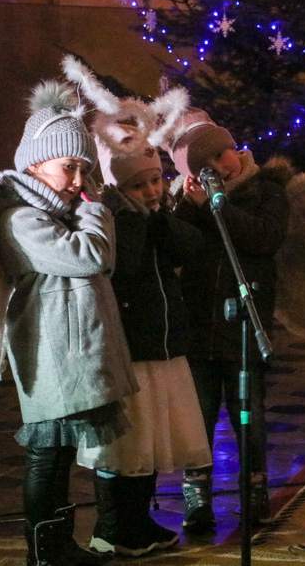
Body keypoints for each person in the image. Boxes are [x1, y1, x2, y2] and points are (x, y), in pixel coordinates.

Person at [0, 80, 140, 566]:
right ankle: (44, 552)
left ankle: (60, 545)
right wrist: (94, 210)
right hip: (52, 354)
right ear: (34, 164)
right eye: (69, 166)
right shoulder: (21, 218)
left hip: (73, 354)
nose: (77, 177)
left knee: (61, 457)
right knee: (46, 457)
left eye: (84, 167)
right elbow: (91, 257)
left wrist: (86, 209)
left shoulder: (58, 212)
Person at [63, 56, 215, 554]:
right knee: (125, 444)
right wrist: (136, 220)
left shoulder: (155, 218)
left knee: (150, 445)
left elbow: (189, 249)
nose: (152, 190)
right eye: (141, 184)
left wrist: (161, 216)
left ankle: (139, 521)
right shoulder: (115, 221)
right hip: (130, 346)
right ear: (121, 187)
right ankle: (113, 526)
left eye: (155, 180)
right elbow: (121, 269)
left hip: (163, 343)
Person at [164, 106, 292, 525]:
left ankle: (254, 488)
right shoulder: (187, 204)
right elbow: (177, 249)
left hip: (244, 326)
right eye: (207, 166)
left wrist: (214, 208)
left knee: (248, 413)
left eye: (223, 155)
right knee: (198, 414)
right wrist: (189, 208)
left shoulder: (267, 189)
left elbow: (264, 238)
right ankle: (196, 494)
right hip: (199, 325)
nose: (221, 166)